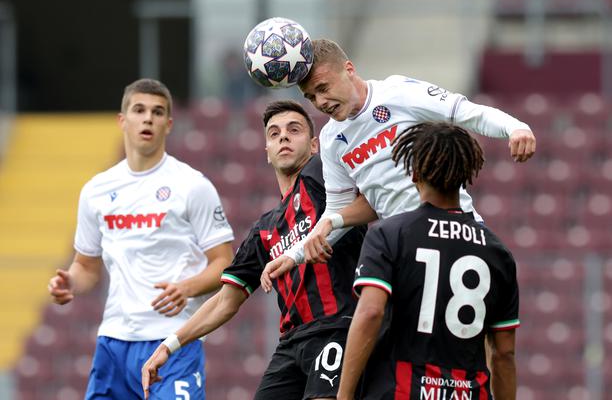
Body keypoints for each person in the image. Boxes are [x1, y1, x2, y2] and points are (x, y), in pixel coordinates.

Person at [259, 38, 536, 286]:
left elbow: (464, 112)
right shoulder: (332, 139)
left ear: (349, 69)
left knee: (479, 334)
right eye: (310, 97)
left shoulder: (397, 93)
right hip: (407, 244)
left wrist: (515, 127)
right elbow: (338, 211)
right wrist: (294, 255)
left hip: (457, 228)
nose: (320, 102)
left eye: (323, 88)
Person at [141, 100, 366, 400]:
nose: (283, 137)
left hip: (338, 327)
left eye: (293, 130)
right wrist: (169, 345)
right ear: (267, 153)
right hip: (291, 343)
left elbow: (371, 200)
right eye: (274, 134)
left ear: (314, 145)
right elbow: (225, 302)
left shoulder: (323, 178)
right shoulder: (264, 230)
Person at [47, 78, 235, 399]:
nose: (148, 118)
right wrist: (70, 283)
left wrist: (187, 287)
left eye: (158, 112)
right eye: (139, 110)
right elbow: (86, 267)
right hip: (114, 340)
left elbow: (225, 263)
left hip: (173, 340)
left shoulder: (192, 185)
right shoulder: (96, 190)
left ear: (169, 124)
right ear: (123, 120)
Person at [336, 122, 519, 399]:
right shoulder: (498, 252)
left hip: (401, 391)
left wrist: (344, 396)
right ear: (465, 176)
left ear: (415, 174)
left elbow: (371, 312)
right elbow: (504, 353)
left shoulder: (390, 233)